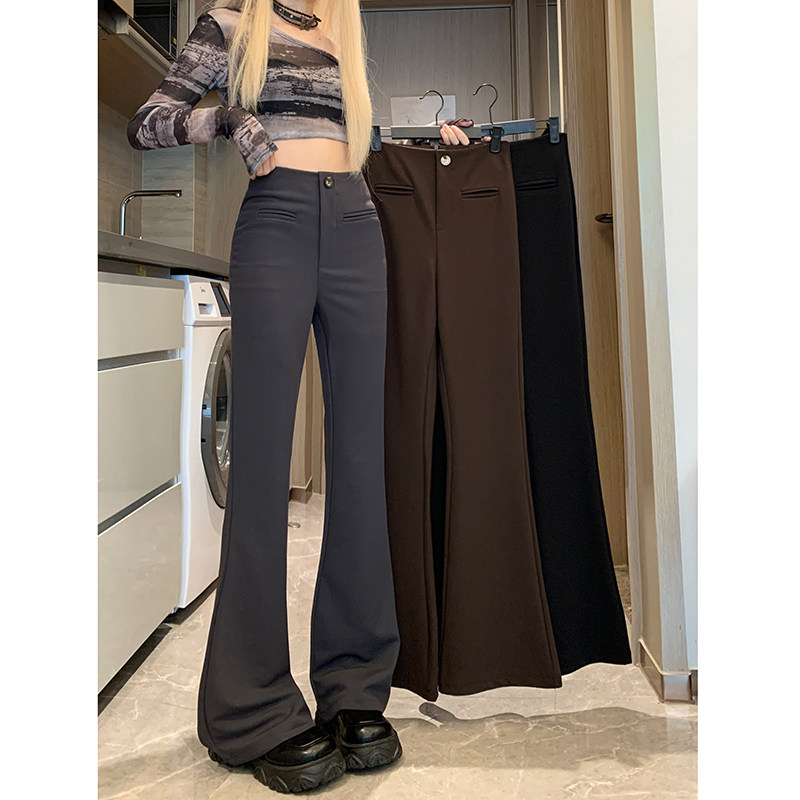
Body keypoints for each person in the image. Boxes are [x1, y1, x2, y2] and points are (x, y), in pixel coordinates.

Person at [127, 0, 482, 793]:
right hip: (276, 222)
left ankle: (355, 688)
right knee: (259, 465)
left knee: (360, 462)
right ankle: (249, 708)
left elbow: (342, 137)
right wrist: (228, 120)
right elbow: (147, 122)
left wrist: (430, 138)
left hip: (357, 222)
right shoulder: (231, 24)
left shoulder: (343, 34)